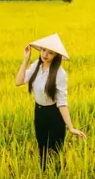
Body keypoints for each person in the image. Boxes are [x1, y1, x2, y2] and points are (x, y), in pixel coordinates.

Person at [14, 33, 86, 171]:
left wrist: (70, 127)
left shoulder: (60, 74)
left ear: (56, 56)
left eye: (50, 53)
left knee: (55, 151)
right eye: (43, 50)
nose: (45, 54)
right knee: (42, 147)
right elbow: (18, 82)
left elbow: (62, 102)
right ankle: (44, 177)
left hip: (54, 115)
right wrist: (26, 60)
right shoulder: (36, 65)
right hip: (39, 112)